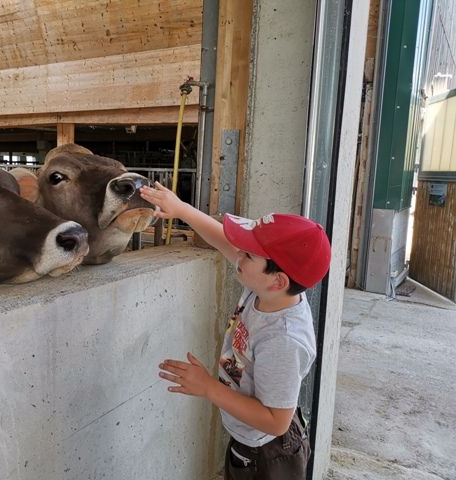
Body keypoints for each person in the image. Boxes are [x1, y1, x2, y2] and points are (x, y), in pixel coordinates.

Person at [139, 182, 331, 480]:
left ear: (278, 280)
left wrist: (208, 387)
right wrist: (181, 209)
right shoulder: (268, 289)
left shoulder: (284, 338)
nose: (238, 255)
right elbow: (222, 241)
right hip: (251, 441)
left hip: (267, 456)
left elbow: (276, 421)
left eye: (249, 254)